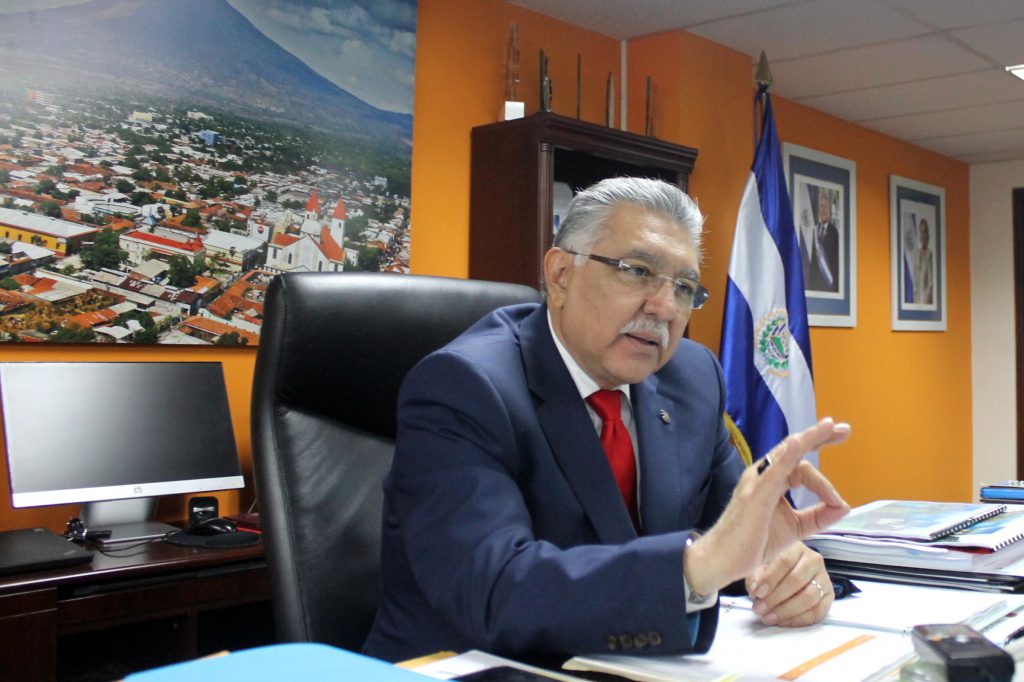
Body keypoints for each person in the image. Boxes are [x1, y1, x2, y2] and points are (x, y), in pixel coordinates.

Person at [363, 177, 851, 662]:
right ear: (560, 276)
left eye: (684, 287)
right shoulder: (464, 387)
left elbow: (736, 535)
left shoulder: (693, 378)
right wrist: (695, 566)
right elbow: (498, 588)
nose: (664, 307)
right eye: (637, 271)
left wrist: (786, 569)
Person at [799, 187, 840, 293]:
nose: (823, 210)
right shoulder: (815, 230)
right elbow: (813, 261)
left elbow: (836, 265)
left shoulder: (835, 233)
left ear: (829, 210)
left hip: (829, 286)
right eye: (821, 206)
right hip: (816, 285)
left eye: (825, 207)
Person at [912, 218, 934, 305]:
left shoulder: (930, 254)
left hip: (926, 296)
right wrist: (915, 294)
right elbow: (914, 275)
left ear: (927, 235)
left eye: (924, 232)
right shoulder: (916, 253)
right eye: (921, 232)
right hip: (917, 295)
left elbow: (930, 279)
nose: (922, 236)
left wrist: (927, 296)